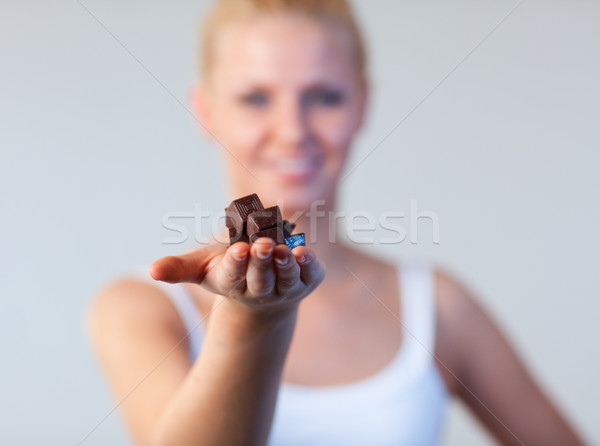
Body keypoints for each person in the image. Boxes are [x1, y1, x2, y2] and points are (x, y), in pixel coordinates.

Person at [89, 1, 587, 445]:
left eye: (324, 97)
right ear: (205, 110)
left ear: (362, 105)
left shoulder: (437, 306)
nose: (292, 131)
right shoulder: (142, 307)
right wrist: (255, 315)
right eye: (256, 98)